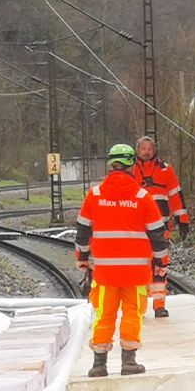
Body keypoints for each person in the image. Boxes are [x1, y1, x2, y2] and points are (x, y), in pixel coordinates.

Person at [75, 142, 170, 377]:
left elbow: (82, 230)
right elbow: (158, 236)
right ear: (131, 165)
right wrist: (161, 263)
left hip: (105, 273)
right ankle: (129, 362)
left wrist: (83, 258)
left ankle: (99, 364)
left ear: (110, 164)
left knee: (104, 315)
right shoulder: (142, 196)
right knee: (132, 314)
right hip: (136, 273)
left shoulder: (95, 195)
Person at [135, 135, 188, 319]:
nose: (147, 152)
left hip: (161, 228)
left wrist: (183, 219)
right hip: (137, 229)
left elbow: (175, 195)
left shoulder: (166, 170)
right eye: (143, 148)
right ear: (137, 150)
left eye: (150, 148)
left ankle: (159, 306)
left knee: (160, 268)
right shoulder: (131, 171)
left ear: (155, 150)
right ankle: (139, 307)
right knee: (140, 268)